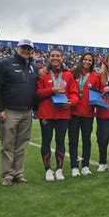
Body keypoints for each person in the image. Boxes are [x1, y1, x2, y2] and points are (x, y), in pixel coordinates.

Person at [0, 39, 38, 186]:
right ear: (16, 49)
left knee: (21, 145)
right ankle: (7, 175)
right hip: (9, 111)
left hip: (27, 111)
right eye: (23, 48)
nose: (26, 51)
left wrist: (35, 109)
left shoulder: (33, 67)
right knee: (7, 145)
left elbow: (36, 90)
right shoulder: (4, 64)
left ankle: (18, 174)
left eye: (29, 48)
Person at [36, 49, 78, 181]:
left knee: (60, 141)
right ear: (48, 58)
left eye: (58, 56)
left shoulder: (68, 75)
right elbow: (38, 93)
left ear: (62, 58)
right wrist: (51, 90)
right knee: (46, 141)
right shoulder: (43, 73)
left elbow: (74, 93)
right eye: (53, 56)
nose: (55, 58)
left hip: (63, 113)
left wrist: (71, 102)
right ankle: (48, 170)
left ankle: (59, 170)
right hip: (46, 113)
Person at [69, 52, 101, 177]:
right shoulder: (72, 73)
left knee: (86, 140)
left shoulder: (95, 76)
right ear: (81, 60)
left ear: (92, 63)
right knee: (73, 141)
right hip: (73, 112)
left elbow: (97, 93)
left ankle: (86, 166)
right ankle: (74, 166)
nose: (87, 62)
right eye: (85, 59)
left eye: (90, 60)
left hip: (87, 113)